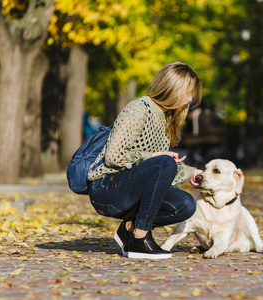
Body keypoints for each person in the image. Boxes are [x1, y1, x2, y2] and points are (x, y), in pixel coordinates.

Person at [87, 61, 202, 259]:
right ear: (172, 88)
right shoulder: (138, 109)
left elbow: (156, 171)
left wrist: (192, 173)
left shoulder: (167, 118)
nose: (191, 99)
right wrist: (156, 157)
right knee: (164, 162)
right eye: (188, 92)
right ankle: (140, 238)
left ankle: (129, 229)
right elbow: (114, 156)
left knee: (185, 204)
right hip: (107, 188)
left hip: (131, 188)